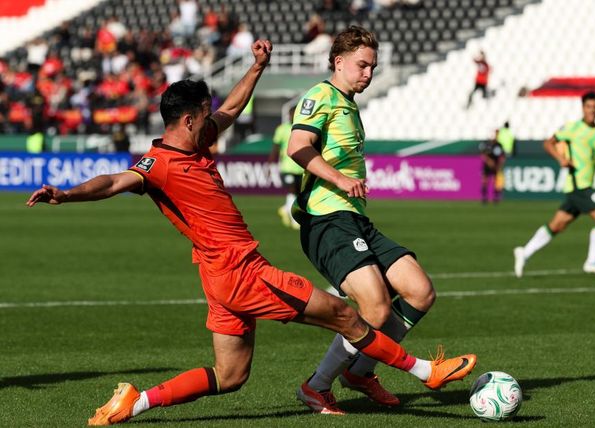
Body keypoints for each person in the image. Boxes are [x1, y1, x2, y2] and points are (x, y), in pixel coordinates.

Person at [26, 40, 475, 426]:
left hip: (217, 278)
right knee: (345, 315)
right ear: (187, 120)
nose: (213, 122)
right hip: (242, 271)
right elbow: (113, 182)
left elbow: (231, 109)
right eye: (205, 116)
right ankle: (424, 372)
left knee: (231, 376)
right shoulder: (158, 164)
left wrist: (257, 66)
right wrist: (67, 194)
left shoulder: (196, 141)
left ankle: (135, 401)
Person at [287, 26, 476, 414]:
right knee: (375, 308)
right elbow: (297, 147)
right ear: (338, 61)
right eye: (362, 65)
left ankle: (359, 371)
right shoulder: (321, 95)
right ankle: (316, 386)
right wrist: (340, 179)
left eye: (373, 66)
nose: (369, 73)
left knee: (419, 291)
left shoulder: (350, 104)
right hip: (327, 219)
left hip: (355, 218)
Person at [513, 91, 595, 278]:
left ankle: (525, 252)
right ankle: (592, 261)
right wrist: (561, 159)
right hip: (579, 184)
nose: (592, 110)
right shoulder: (572, 128)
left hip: (583, 185)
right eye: (588, 106)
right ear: (583, 108)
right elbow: (548, 143)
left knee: (557, 225)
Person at [268, 106, 303, 229]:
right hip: (287, 167)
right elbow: (275, 148)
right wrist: (270, 165)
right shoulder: (282, 129)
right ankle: (294, 219)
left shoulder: (303, 128)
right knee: (292, 190)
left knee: (298, 193)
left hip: (301, 168)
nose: (292, 116)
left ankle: (285, 209)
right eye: (291, 113)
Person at [478, 133, 505, 204]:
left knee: (496, 182)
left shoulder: (499, 145)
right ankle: (484, 197)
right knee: (485, 181)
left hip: (496, 166)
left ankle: (496, 197)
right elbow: (483, 155)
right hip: (487, 166)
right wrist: (489, 161)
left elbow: (502, 156)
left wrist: (499, 164)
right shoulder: (487, 144)